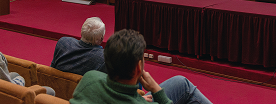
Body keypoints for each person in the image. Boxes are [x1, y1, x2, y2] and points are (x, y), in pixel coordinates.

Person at [70, 29, 212, 104]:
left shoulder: (89, 78)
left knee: (180, 82)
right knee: (184, 85)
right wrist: (155, 89)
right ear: (139, 67)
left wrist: (136, 98)